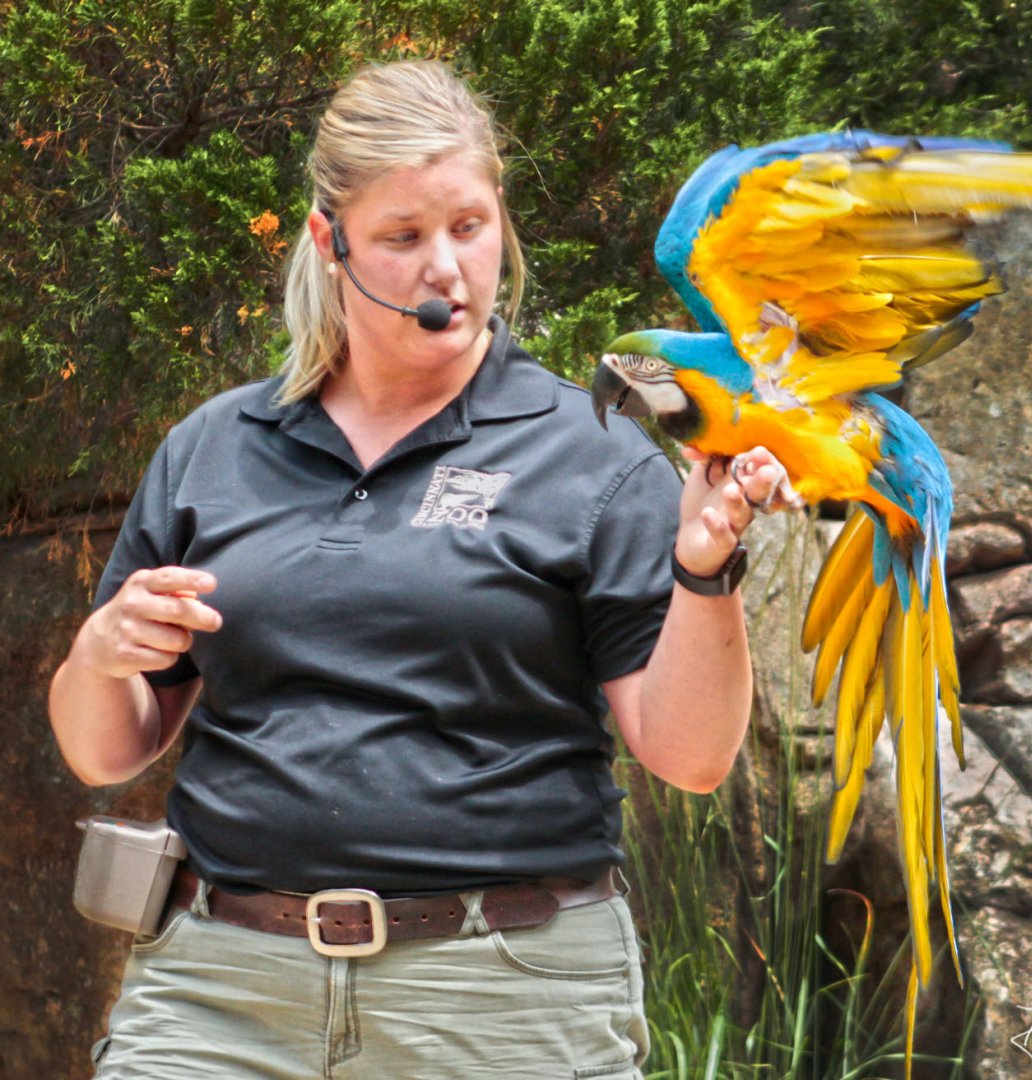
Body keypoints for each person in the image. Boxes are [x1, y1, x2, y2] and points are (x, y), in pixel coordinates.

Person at [49, 60, 795, 1080]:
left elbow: (691, 757)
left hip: (502, 997)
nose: (446, 266)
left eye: (470, 226)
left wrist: (706, 571)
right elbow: (109, 750)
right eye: (403, 237)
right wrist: (99, 654)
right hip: (221, 994)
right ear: (330, 241)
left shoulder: (593, 452)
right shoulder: (215, 447)